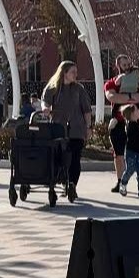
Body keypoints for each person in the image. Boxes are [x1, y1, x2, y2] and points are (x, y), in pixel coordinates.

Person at [41, 60, 92, 202]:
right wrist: (46, 108)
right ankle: (61, 181)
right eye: (73, 72)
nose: (76, 74)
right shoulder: (52, 88)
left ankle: (72, 184)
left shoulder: (79, 89)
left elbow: (86, 110)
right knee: (59, 157)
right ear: (64, 73)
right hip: (58, 129)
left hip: (76, 129)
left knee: (75, 158)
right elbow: (45, 101)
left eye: (76, 71)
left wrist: (88, 127)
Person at [103, 55, 139, 126]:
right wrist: (132, 96)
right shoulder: (110, 83)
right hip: (119, 121)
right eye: (124, 65)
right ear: (118, 66)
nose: (127, 67)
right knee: (116, 105)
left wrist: (123, 98)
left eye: (129, 64)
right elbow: (112, 97)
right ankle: (114, 118)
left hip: (138, 120)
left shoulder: (137, 79)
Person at [116, 105, 139, 199]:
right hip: (132, 152)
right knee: (130, 170)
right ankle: (123, 183)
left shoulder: (138, 122)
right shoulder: (131, 125)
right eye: (137, 110)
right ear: (132, 114)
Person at [108, 107, 127, 194]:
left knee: (120, 156)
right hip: (114, 126)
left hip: (121, 124)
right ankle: (119, 181)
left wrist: (117, 118)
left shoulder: (124, 94)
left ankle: (123, 183)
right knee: (116, 156)